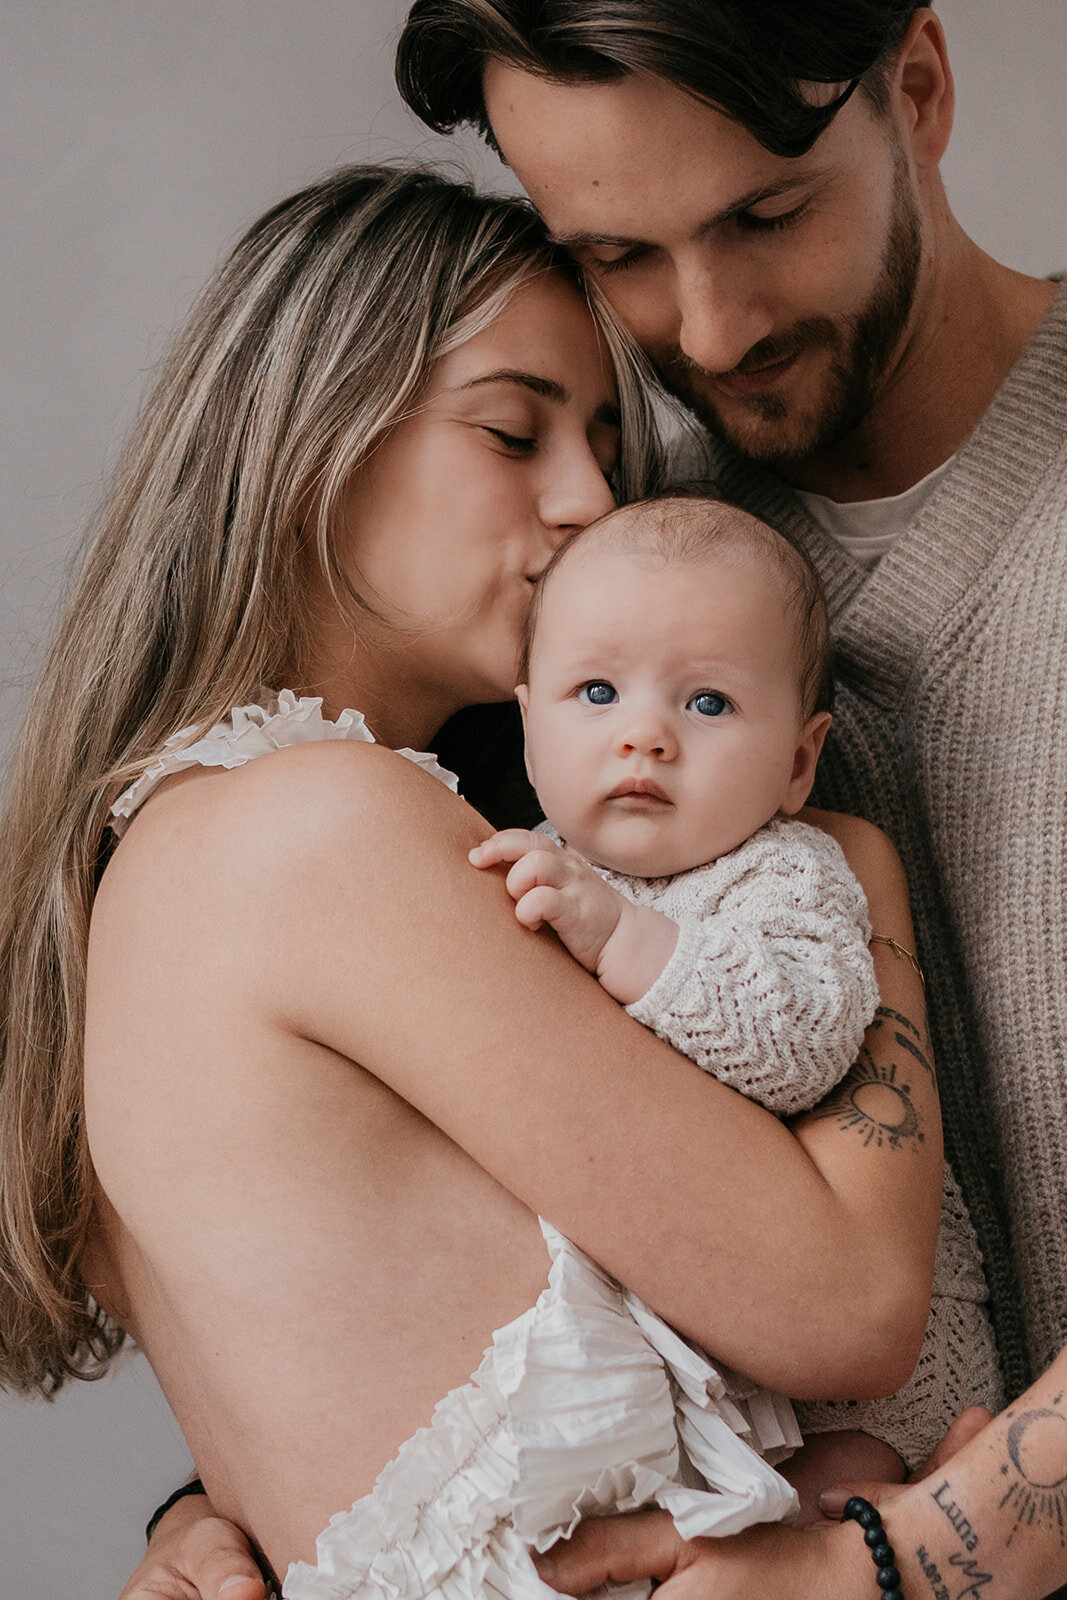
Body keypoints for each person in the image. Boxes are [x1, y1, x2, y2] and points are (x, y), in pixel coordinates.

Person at [0, 166, 932, 1600]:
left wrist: (184, 1519)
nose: (585, 503)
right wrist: (847, 868)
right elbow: (849, 1308)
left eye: (606, 447)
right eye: (513, 431)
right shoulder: (323, 830)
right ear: (309, 438)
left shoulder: (163, 843)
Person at [388, 2, 1067, 1597]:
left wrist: (895, 1567)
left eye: (763, 215)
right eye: (615, 256)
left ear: (915, 84)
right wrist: (251, 1495)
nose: (701, 327)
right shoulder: (588, 558)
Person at [471, 492, 1001, 1514]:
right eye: (594, 691)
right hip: (704, 1353)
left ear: (797, 763)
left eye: (705, 703)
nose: (644, 737)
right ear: (525, 712)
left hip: (860, 1409)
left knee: (824, 1503)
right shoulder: (535, 866)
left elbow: (798, 1040)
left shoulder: (786, 875)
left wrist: (622, 939)